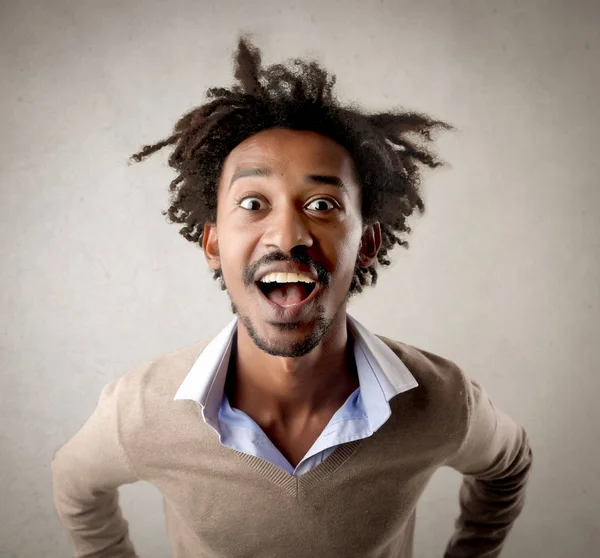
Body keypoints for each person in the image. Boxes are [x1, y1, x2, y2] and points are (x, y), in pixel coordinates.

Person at [51, 37, 533, 558]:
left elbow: (508, 467)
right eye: (253, 202)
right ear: (213, 244)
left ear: (366, 244)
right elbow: (76, 486)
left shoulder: (441, 402)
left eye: (323, 203)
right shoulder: (141, 411)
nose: (287, 235)